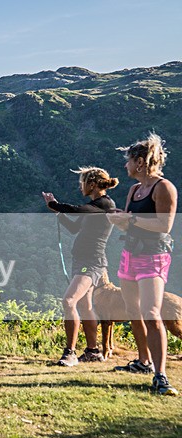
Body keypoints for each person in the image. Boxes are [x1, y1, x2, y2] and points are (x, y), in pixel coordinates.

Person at [107, 134, 178, 396]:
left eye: (128, 162)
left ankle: (161, 376)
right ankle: (143, 361)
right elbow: (128, 220)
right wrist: (119, 219)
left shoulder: (164, 188)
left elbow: (164, 225)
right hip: (130, 254)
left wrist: (132, 220)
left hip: (153, 256)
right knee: (132, 310)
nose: (125, 166)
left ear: (139, 162)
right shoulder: (134, 190)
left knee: (151, 313)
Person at [42, 168, 118, 366]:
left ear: (91, 184)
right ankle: (93, 351)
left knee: (69, 301)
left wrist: (55, 204)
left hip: (91, 263)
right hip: (84, 262)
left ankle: (70, 353)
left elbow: (77, 209)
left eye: (82, 182)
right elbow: (75, 228)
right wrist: (58, 212)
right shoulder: (95, 206)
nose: (80, 186)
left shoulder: (104, 204)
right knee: (85, 306)